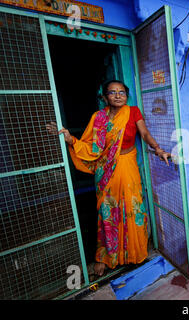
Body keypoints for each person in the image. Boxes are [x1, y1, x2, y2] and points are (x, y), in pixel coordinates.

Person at [46, 80, 171, 276]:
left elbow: (144, 134)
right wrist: (70, 138)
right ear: (105, 97)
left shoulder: (133, 112)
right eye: (112, 92)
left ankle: (135, 253)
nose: (118, 95)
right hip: (106, 172)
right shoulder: (99, 118)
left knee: (133, 207)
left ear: (126, 95)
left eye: (121, 92)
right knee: (107, 211)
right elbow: (91, 147)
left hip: (128, 167)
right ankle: (105, 256)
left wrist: (158, 149)